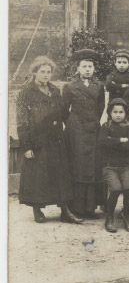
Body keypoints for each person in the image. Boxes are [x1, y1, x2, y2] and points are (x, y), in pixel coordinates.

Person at [16, 56, 82, 224]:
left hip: (56, 139)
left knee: (61, 175)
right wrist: (26, 146)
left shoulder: (54, 89)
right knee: (37, 176)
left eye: (49, 72)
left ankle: (65, 211)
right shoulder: (26, 92)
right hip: (38, 140)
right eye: (42, 72)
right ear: (35, 73)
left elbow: (62, 113)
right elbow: (22, 121)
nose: (46, 75)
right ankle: (37, 210)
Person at [63, 49, 105, 218]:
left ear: (94, 69)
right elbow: (64, 110)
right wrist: (74, 125)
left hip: (93, 129)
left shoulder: (99, 86)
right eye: (84, 66)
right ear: (78, 69)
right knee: (78, 166)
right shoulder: (70, 86)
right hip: (76, 130)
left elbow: (101, 108)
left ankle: (90, 207)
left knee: (92, 166)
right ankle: (77, 207)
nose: (87, 69)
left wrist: (93, 121)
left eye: (90, 66)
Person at [98, 98, 129, 232]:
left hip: (126, 165)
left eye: (121, 112)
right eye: (115, 112)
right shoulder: (106, 127)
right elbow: (102, 143)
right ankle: (109, 217)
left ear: (126, 113)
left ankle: (127, 215)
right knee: (115, 189)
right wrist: (121, 140)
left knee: (128, 188)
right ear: (110, 112)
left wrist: (112, 142)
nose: (118, 114)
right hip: (109, 166)